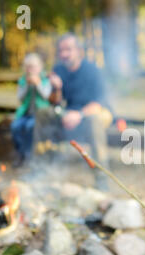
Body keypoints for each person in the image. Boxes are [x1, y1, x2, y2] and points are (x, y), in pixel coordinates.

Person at [48, 33, 114, 191]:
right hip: (70, 114)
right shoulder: (58, 70)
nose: (64, 54)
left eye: (68, 49)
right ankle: (40, 168)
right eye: (61, 50)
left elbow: (99, 102)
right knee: (44, 114)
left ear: (78, 51)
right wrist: (56, 88)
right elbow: (54, 102)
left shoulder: (93, 70)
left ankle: (101, 180)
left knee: (94, 121)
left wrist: (79, 115)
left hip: (96, 112)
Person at [11, 53, 52, 167]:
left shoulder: (45, 80)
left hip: (40, 114)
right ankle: (20, 153)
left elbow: (46, 96)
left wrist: (38, 84)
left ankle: (29, 155)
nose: (31, 70)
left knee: (30, 127)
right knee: (15, 127)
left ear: (40, 67)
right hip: (25, 113)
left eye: (33, 67)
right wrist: (27, 86)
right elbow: (20, 98)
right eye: (28, 67)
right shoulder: (23, 81)